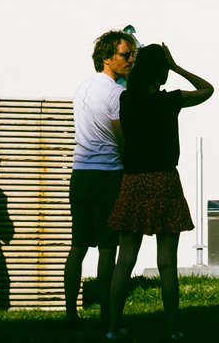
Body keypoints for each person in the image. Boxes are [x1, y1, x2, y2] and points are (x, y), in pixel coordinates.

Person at [107, 44, 215, 339]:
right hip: (165, 179)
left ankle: (113, 328)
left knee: (124, 260)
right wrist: (177, 66)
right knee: (167, 263)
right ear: (162, 70)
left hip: (134, 180)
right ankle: (172, 329)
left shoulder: (127, 99)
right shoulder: (170, 101)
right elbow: (207, 90)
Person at [65, 29, 136, 326]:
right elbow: (123, 137)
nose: (131, 59)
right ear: (107, 57)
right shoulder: (117, 93)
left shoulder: (82, 88)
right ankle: (107, 314)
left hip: (80, 172)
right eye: (125, 54)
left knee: (78, 245)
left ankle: (71, 314)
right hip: (107, 175)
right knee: (108, 247)